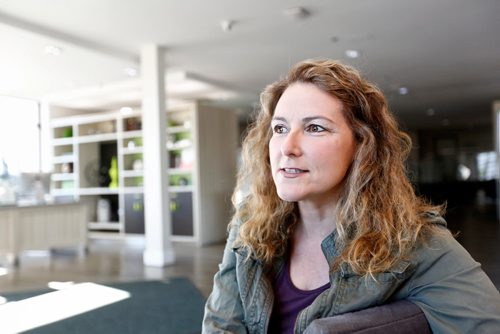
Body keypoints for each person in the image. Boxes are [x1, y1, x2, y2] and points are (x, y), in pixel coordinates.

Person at [202, 59, 500, 333]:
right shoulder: (249, 223)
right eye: (279, 128)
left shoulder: (413, 240)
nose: (287, 147)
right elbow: (221, 325)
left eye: (315, 128)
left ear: (362, 145)